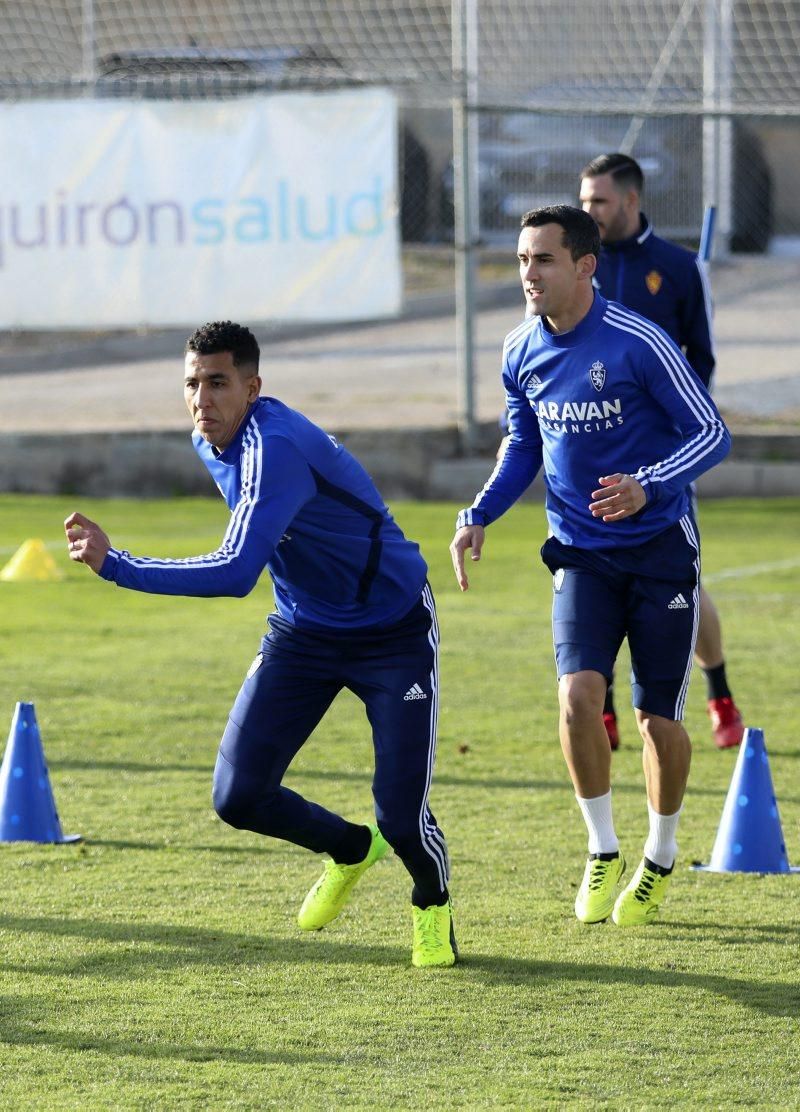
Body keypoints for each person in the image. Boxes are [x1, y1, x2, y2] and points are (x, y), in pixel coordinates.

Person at [65, 320, 456, 968]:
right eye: (191, 383)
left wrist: (118, 564)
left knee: (401, 816)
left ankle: (430, 901)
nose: (202, 399)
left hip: (392, 630)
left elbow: (235, 570)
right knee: (237, 797)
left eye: (217, 383)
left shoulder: (275, 446)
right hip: (304, 630)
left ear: (253, 387)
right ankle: (350, 848)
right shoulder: (209, 439)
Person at [450, 206, 730, 926]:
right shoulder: (519, 351)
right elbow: (524, 445)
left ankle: (660, 855)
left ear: (583, 266)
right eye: (521, 260)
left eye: (542, 259)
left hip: (662, 551)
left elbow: (711, 432)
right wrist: (478, 512)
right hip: (578, 552)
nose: (528, 275)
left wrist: (649, 485)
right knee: (577, 698)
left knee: (655, 720)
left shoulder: (639, 342)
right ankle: (603, 849)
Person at [579, 151, 745, 752]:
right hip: (590, 456)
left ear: (629, 200)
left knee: (683, 583)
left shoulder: (676, 268)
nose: (588, 211)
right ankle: (602, 709)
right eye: (583, 200)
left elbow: (701, 362)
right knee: (594, 579)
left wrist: (670, 435)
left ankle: (719, 692)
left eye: (597, 201)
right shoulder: (578, 266)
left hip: (662, 463)